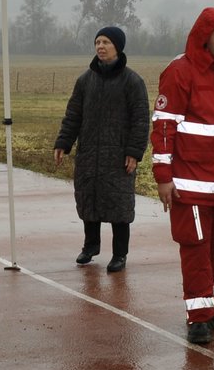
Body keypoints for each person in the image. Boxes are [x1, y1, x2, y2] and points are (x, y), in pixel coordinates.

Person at [151, 7, 214, 343]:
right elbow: (164, 128)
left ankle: (209, 307)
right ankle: (198, 316)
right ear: (204, 37)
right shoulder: (180, 72)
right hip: (190, 183)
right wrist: (163, 176)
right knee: (195, 248)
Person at [53, 26, 150, 273]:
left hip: (118, 155)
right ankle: (91, 246)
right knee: (89, 200)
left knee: (119, 205)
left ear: (117, 47)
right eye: (97, 42)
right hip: (89, 154)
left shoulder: (133, 81)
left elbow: (140, 121)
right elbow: (73, 115)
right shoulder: (85, 81)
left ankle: (120, 254)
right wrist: (64, 142)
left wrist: (134, 152)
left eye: (106, 42)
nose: (100, 46)